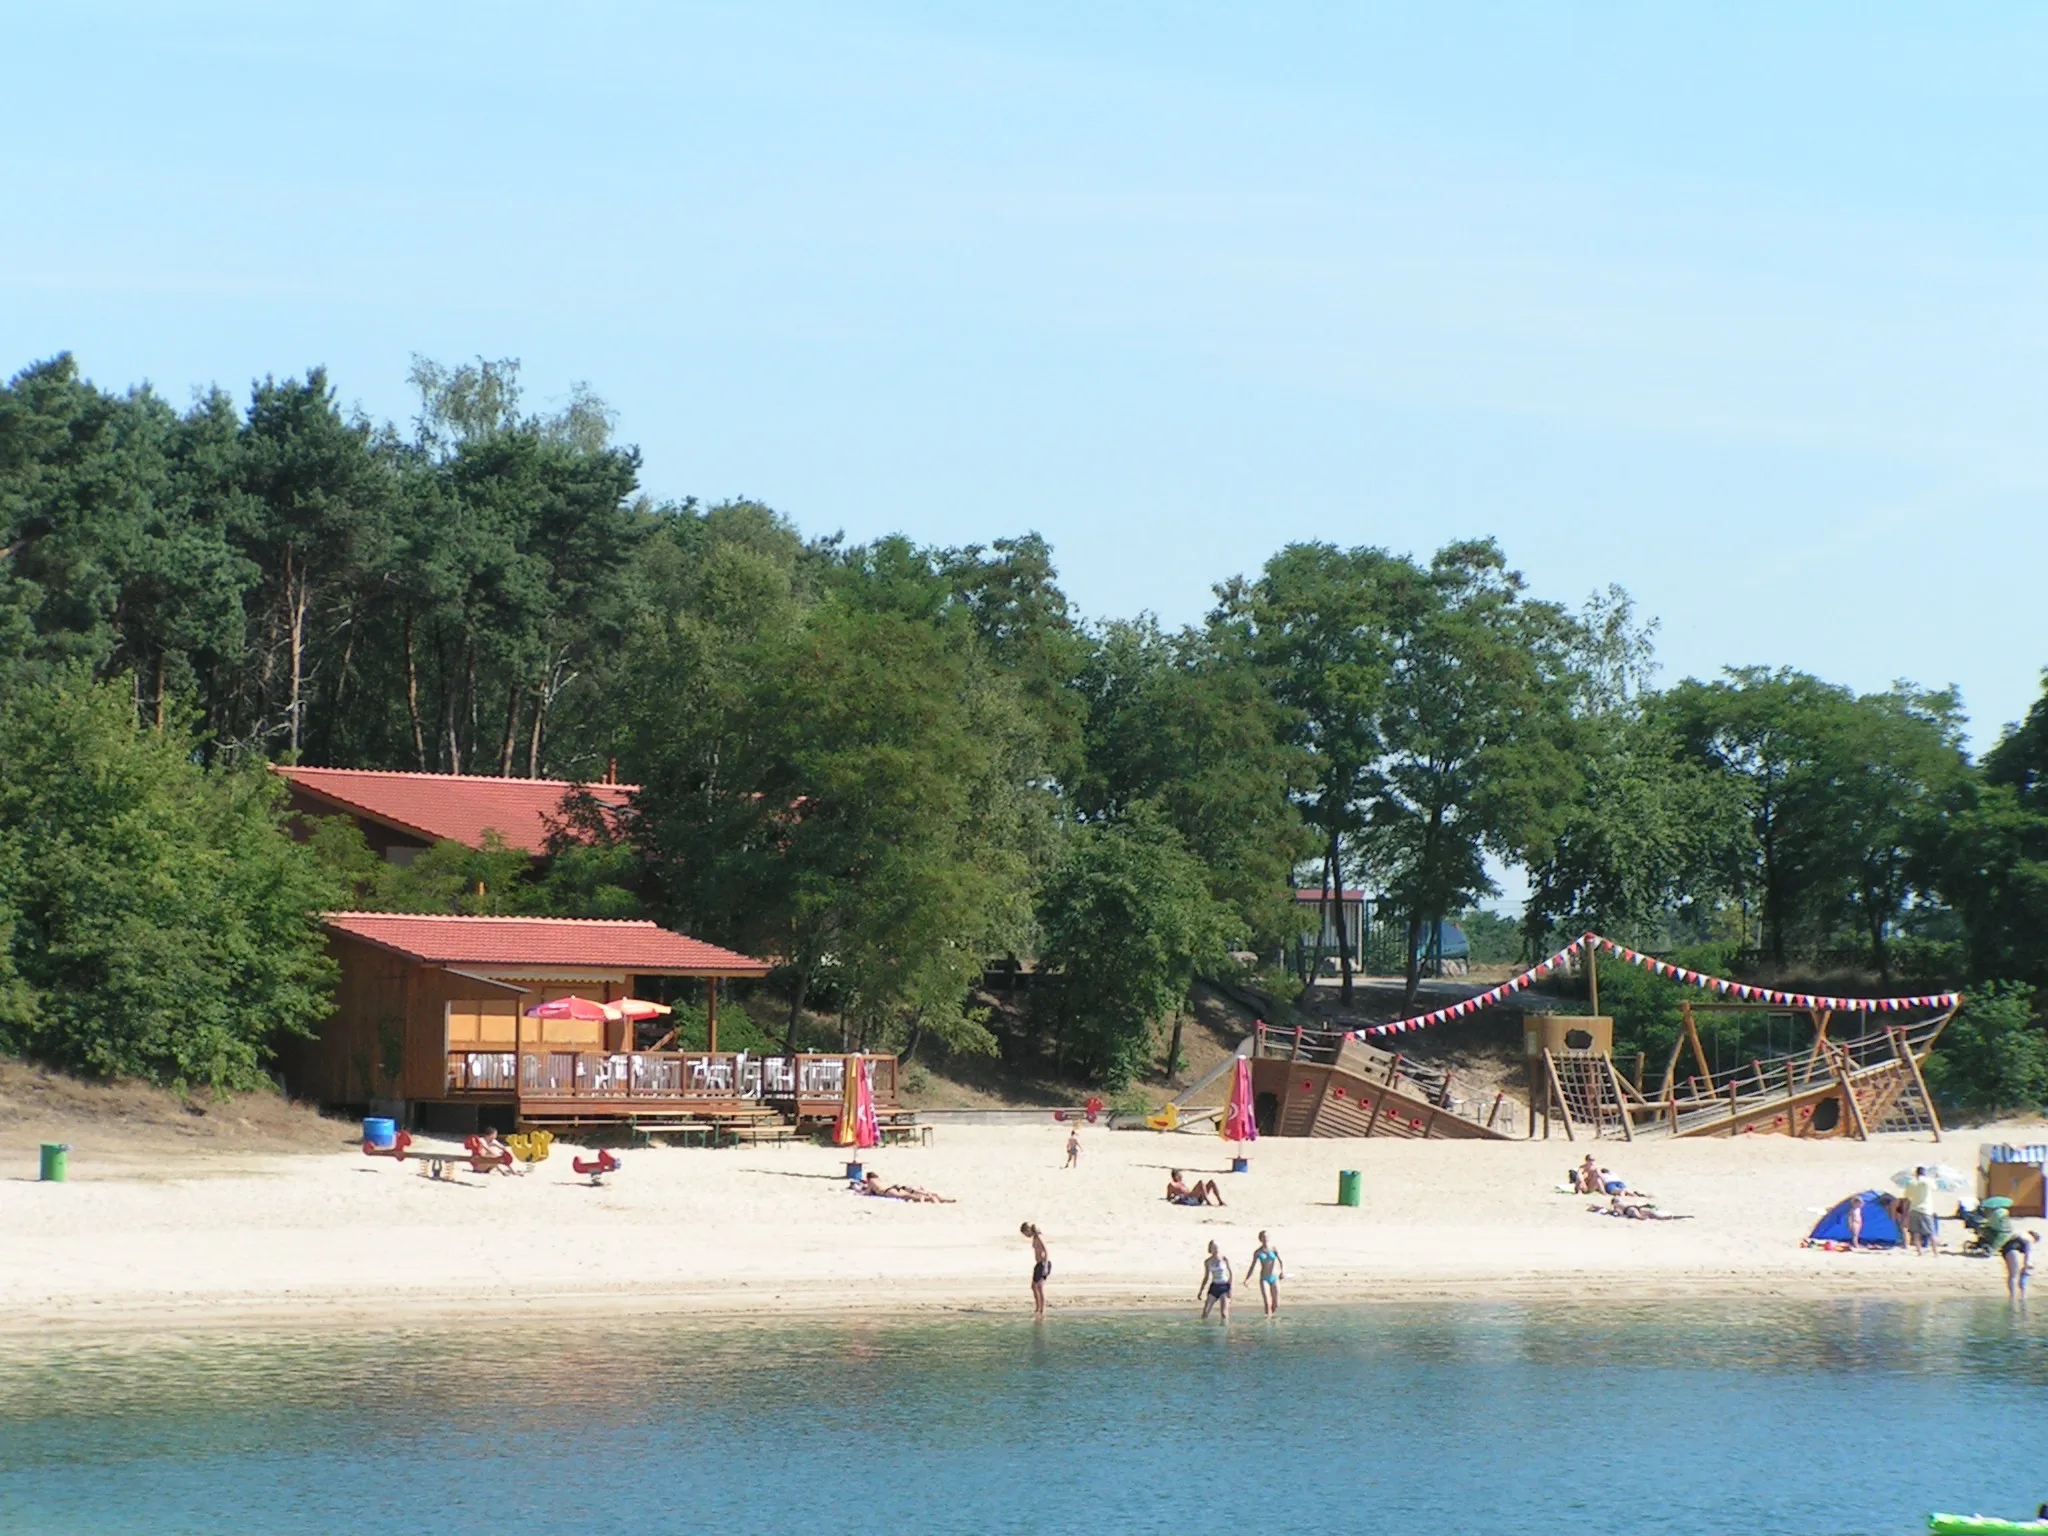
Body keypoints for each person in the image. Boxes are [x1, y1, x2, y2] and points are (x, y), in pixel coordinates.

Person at [1248, 1231, 1285, 1316]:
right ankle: (1268, 1321)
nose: (1265, 1239)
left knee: (1276, 1303)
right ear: (1260, 1239)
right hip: (1264, 1278)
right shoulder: (1258, 1252)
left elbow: (1281, 1261)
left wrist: (1282, 1272)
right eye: (1263, 1237)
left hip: (1274, 1277)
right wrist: (1247, 1279)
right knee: (1267, 1303)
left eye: (1267, 1236)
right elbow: (1252, 1266)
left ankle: (1271, 1317)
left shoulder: (1274, 1249)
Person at [1197, 1240, 1233, 1322]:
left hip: (1224, 1286)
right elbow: (1206, 1277)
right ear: (1210, 1249)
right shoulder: (1207, 1261)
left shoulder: (1224, 1259)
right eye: (1214, 1247)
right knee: (1205, 1313)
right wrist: (1201, 1290)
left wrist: (1230, 1289)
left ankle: (1225, 1331)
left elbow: (1230, 1274)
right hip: (1214, 1286)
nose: (1216, 1249)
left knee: (1224, 1314)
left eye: (1217, 1247)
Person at [1022, 1222, 1050, 1319]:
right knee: (1034, 1287)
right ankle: (1038, 1308)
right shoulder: (1035, 1237)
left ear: (1028, 1230)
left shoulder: (1039, 1237)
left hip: (1043, 1264)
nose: (1026, 1235)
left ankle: (1041, 1309)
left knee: (1039, 1287)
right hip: (1039, 1264)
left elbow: (1046, 1250)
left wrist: (1045, 1266)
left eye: (1025, 1233)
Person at [2001, 1229, 2034, 1301]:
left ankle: (2012, 1296)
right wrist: (2027, 1267)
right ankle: (2014, 1296)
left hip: (2005, 1250)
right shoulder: (2029, 1239)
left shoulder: (2020, 1234)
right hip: (2012, 1251)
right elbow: (2027, 1256)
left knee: (2011, 1275)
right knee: (2013, 1275)